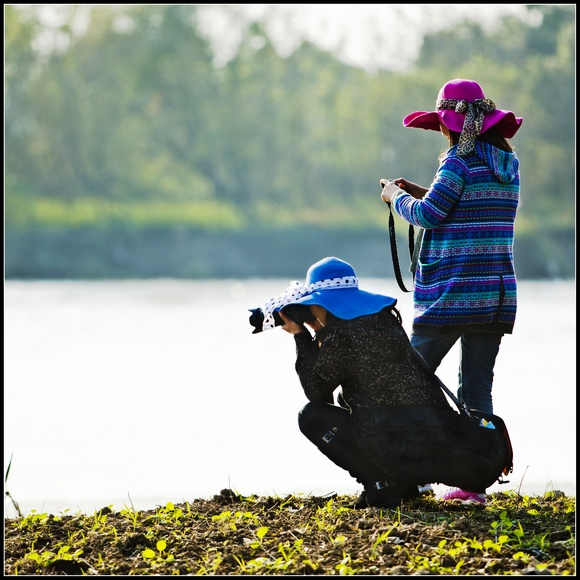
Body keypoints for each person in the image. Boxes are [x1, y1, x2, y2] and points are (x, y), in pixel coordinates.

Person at [259, 256, 506, 508]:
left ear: (318, 302)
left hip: (395, 443)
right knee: (347, 398)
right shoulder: (386, 319)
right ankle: (403, 483)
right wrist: (319, 330)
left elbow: (316, 395)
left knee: (310, 416)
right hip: (438, 438)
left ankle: (381, 485)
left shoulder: (339, 336)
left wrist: (302, 335)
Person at [379, 78, 522, 503]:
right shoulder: (505, 163)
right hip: (494, 295)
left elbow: (429, 214)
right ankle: (473, 484)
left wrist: (394, 198)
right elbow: (458, 205)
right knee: (476, 388)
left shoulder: (457, 163)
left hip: (452, 294)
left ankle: (412, 471)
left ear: (450, 124)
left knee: (406, 379)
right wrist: (420, 190)